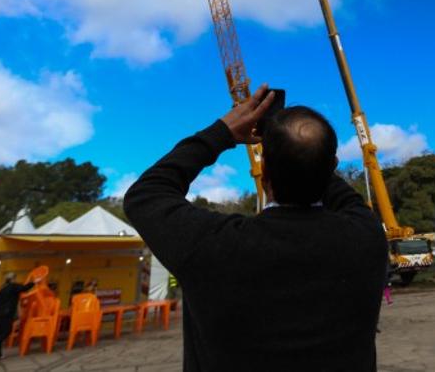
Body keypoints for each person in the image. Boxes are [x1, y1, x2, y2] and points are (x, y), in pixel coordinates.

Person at [124, 86, 389, 371]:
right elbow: (343, 195)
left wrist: (222, 132)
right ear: (332, 167)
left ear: (265, 176)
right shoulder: (366, 237)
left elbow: (145, 195)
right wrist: (307, 155)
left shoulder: (213, 245)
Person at [0, 273, 36, 361]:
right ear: (12, 279)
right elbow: (24, 288)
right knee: (7, 331)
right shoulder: (13, 286)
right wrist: (34, 282)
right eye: (15, 278)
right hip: (6, 314)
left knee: (0, 333)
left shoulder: (2, 288)